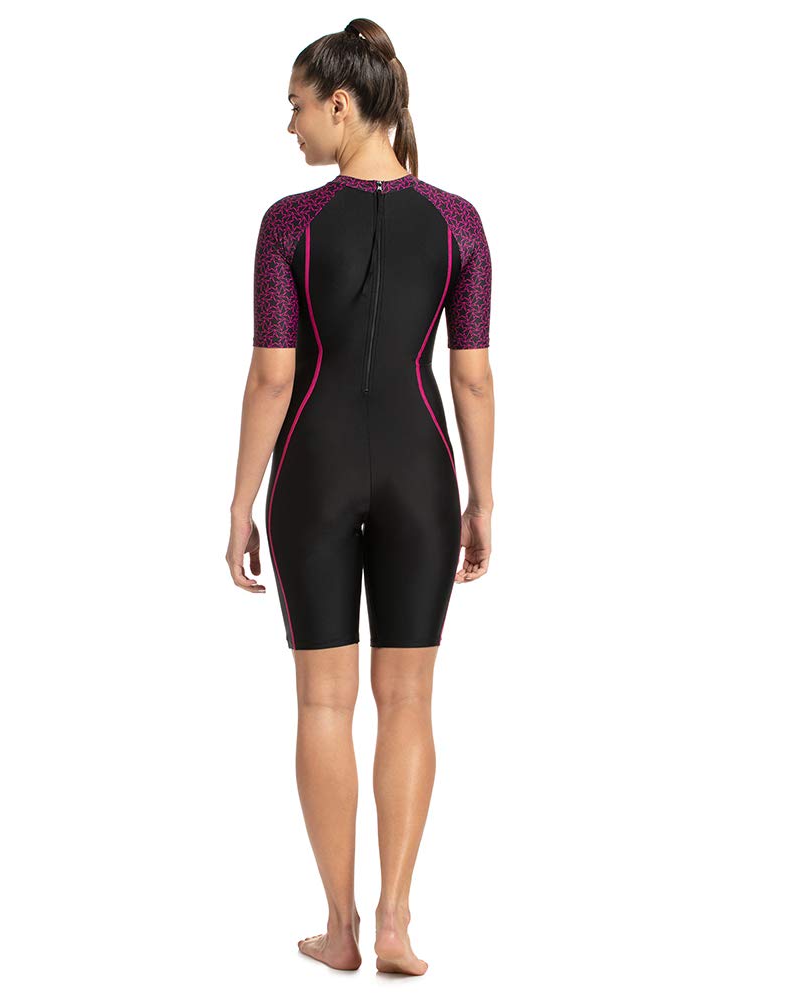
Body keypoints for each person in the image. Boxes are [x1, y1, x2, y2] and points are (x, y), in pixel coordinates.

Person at [225, 19, 495, 976]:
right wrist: (482, 499)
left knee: (324, 702)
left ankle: (339, 928)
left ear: (341, 104)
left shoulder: (289, 225)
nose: (290, 125)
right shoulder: (458, 222)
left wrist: (240, 503)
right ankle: (394, 922)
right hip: (424, 472)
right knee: (410, 700)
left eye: (298, 106)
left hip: (314, 471)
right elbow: (471, 379)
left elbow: (273, 377)